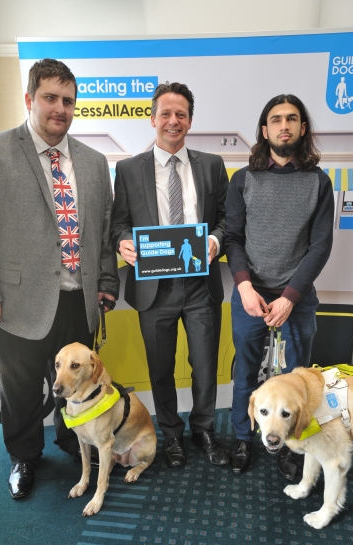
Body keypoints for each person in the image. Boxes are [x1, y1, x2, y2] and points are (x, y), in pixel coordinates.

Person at [0, 59, 119, 499]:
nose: (60, 108)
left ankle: (72, 440)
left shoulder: (95, 162)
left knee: (77, 383)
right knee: (22, 387)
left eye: (68, 100)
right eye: (50, 98)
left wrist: (106, 281)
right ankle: (24, 457)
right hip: (17, 299)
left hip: (78, 299)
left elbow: (102, 232)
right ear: (29, 99)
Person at [112, 82, 229, 468]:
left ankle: (204, 428)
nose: (173, 121)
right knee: (160, 369)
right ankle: (172, 435)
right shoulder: (129, 170)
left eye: (181, 114)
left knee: (205, 365)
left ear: (190, 121)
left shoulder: (212, 165)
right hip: (153, 289)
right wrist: (123, 244)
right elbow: (119, 225)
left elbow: (228, 221)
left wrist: (215, 240)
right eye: (165, 113)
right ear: (152, 118)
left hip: (200, 287)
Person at [225, 94, 334, 478]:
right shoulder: (242, 180)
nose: (283, 125)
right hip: (250, 296)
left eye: (291, 119)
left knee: (298, 379)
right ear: (264, 129)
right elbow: (233, 239)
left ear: (302, 128)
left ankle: (295, 445)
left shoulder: (319, 183)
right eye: (275, 119)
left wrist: (290, 297)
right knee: (246, 372)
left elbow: (321, 246)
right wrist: (244, 287)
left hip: (297, 300)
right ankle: (242, 436)